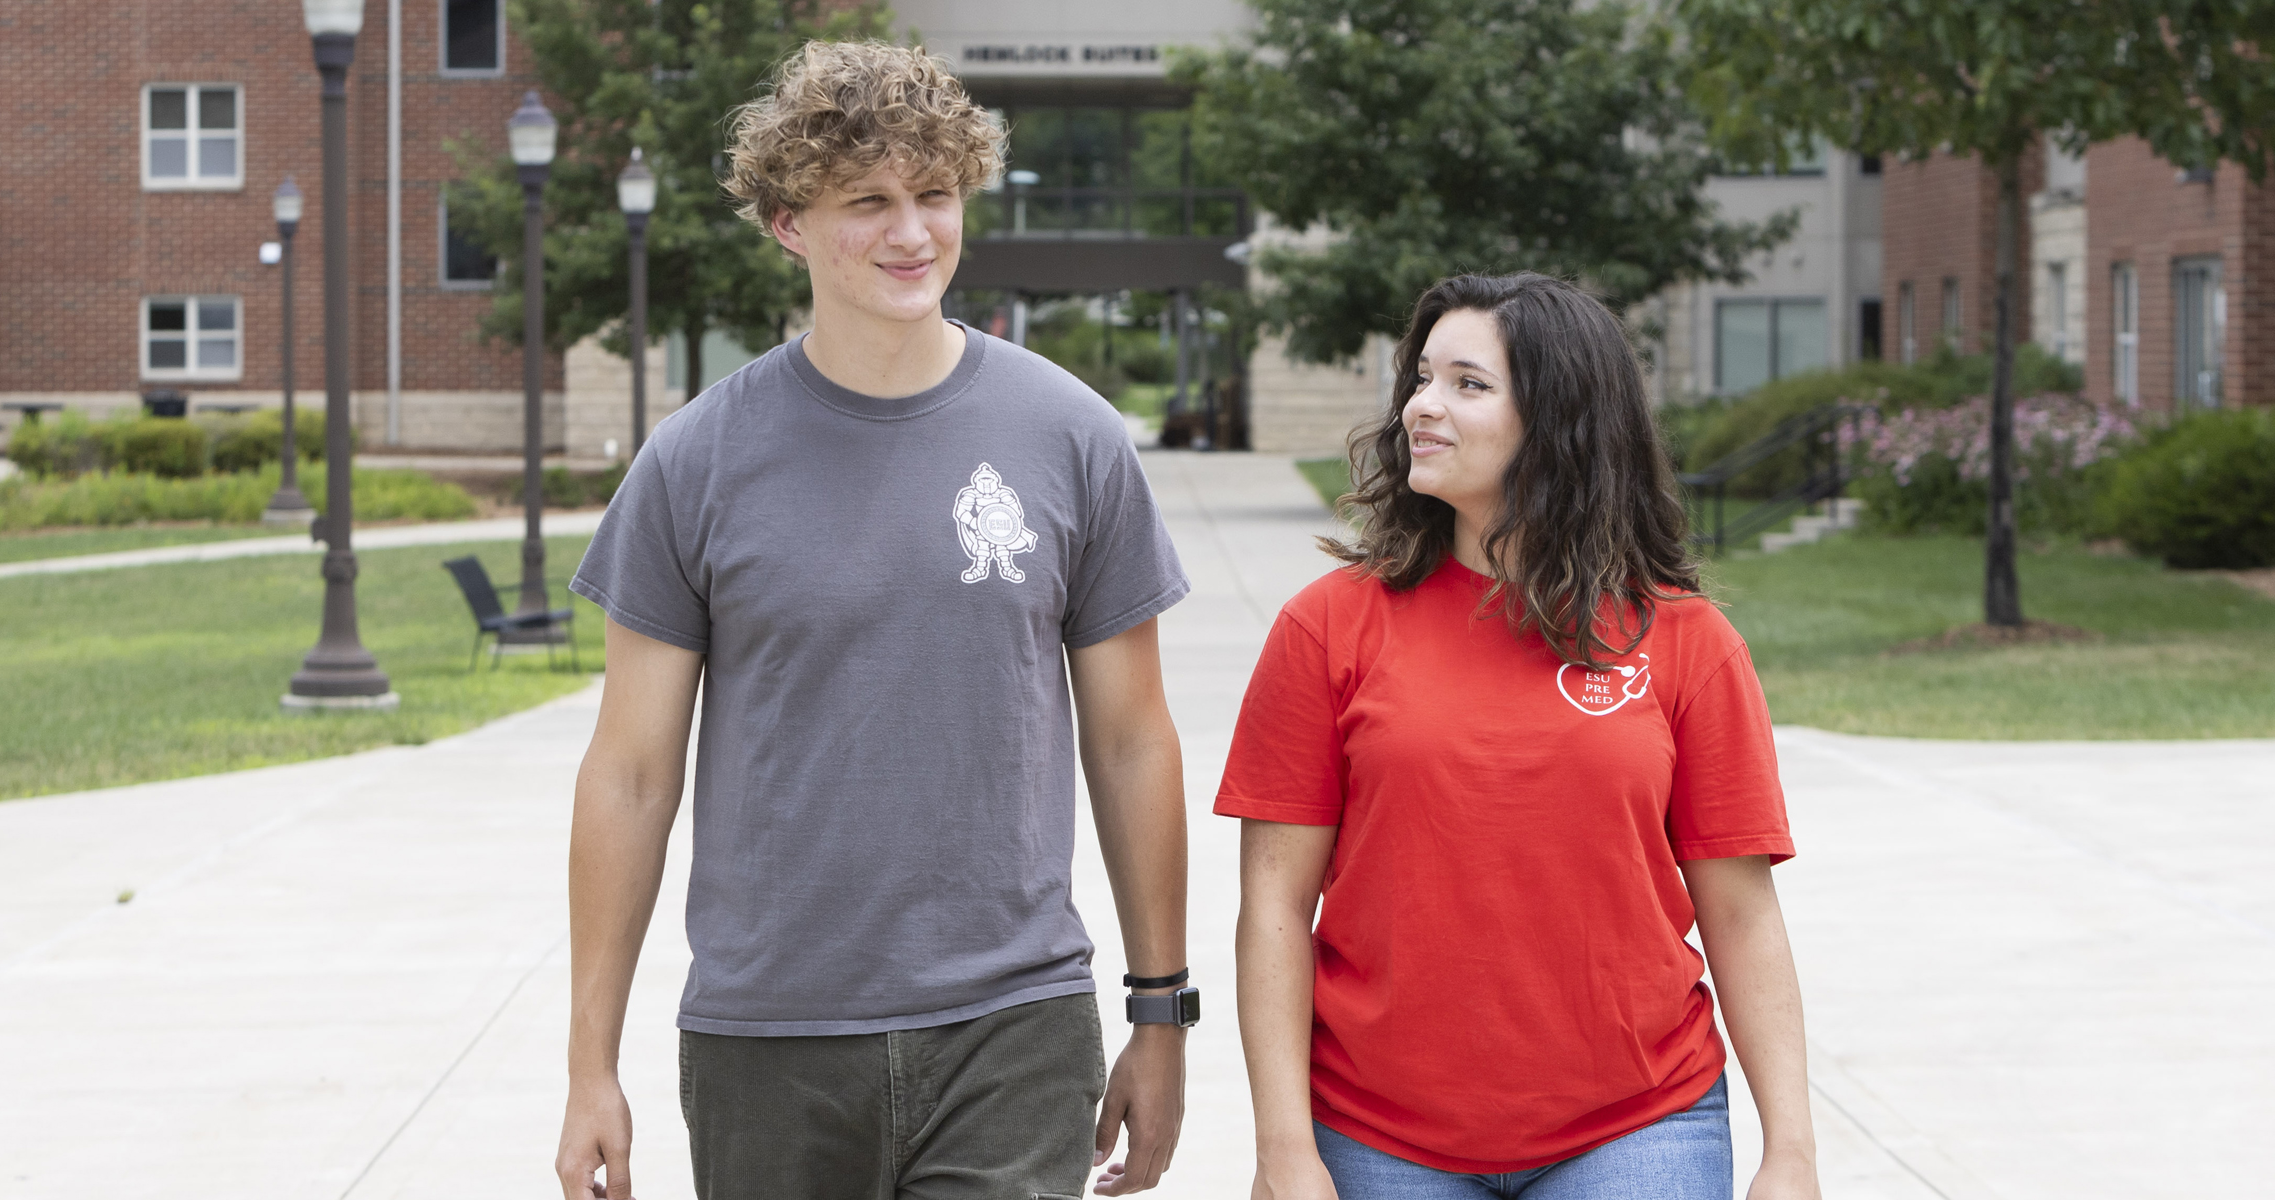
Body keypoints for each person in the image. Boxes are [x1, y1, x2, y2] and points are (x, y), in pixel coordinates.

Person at [555, 40, 1196, 1200]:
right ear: (789, 222)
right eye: (869, 203)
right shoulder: (694, 463)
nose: (912, 234)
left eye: (934, 195)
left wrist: (1161, 1015)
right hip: (769, 1035)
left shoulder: (1073, 437)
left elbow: (1132, 741)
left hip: (1013, 1024)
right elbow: (632, 775)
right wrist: (588, 1062)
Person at [1218, 273, 1821, 1200]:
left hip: (1639, 1123)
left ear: (1561, 420)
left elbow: (1740, 911)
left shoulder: (1687, 642)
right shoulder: (1327, 629)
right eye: (1422, 378)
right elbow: (1272, 909)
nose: (1423, 405)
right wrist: (1283, 1148)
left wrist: (1792, 1151)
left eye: (1467, 384)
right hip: (1378, 1133)